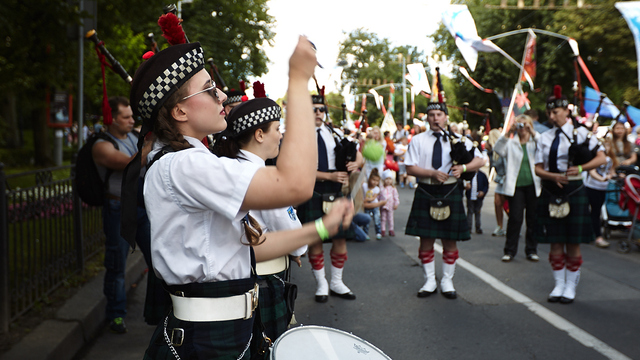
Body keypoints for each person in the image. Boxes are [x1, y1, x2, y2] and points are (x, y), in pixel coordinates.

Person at [123, 39, 353, 359]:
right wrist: (298, 80)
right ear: (179, 110)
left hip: (225, 330)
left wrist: (323, 229)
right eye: (208, 89)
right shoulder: (185, 165)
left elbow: (248, 251)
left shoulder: (188, 161)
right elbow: (296, 184)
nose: (220, 94)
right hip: (208, 338)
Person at [405, 101, 485, 299]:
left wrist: (464, 168)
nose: (435, 118)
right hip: (426, 188)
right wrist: (431, 173)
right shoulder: (418, 140)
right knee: (426, 239)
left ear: (446, 117)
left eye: (439, 114)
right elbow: (410, 168)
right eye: (431, 114)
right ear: (427, 117)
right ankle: (429, 280)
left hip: (450, 190)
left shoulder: (459, 139)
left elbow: (481, 160)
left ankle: (447, 281)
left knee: (450, 240)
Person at [534, 86, 605, 304]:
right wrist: (552, 176)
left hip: (574, 190)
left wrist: (582, 169)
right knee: (555, 241)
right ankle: (558, 284)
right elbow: (538, 168)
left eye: (556, 112)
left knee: (572, 242)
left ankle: (570, 285)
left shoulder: (582, 133)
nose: (552, 116)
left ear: (566, 111)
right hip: (551, 189)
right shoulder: (544, 137)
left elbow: (602, 158)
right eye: (550, 113)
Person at [91, 96, 154, 333]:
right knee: (117, 265)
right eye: (126, 117)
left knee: (157, 259)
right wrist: (150, 144)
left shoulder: (133, 136)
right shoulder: (102, 145)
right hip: (117, 209)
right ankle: (116, 315)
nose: (131, 121)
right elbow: (130, 164)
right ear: (112, 119)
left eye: (132, 116)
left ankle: (159, 309)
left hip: (140, 207)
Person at [296, 85, 364, 304]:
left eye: (321, 110)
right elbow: (297, 169)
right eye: (314, 109)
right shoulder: (297, 136)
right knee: (316, 237)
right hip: (312, 189)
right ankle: (321, 284)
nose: (318, 113)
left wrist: (356, 163)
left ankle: (336, 282)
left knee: (340, 237)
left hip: (335, 191)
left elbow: (359, 156)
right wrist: (329, 176)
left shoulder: (334, 133)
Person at [494, 114, 542, 262]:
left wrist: (532, 132)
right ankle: (509, 250)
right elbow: (498, 149)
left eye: (525, 125)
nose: (522, 128)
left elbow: (544, 146)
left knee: (533, 219)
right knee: (515, 218)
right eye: (519, 125)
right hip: (516, 186)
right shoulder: (511, 143)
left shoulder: (535, 142)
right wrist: (509, 132)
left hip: (534, 185)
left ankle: (531, 250)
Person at [585, 138, 616, 249]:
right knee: (593, 211)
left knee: (596, 211)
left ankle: (594, 234)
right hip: (592, 186)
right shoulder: (596, 158)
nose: (605, 147)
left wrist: (612, 176)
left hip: (603, 188)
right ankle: (596, 235)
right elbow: (592, 171)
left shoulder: (610, 159)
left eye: (608, 145)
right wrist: (601, 179)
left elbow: (611, 171)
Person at [487, 129, 508, 236]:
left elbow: (507, 166)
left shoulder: (501, 150)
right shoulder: (492, 153)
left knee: (509, 204)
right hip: (500, 179)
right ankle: (499, 226)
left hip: (506, 178)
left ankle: (513, 225)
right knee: (497, 202)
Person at [362, 168, 386, 239]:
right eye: (373, 180)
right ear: (369, 179)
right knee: (366, 220)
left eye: (377, 181)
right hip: (366, 206)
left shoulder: (377, 189)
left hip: (375, 206)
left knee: (376, 219)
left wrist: (366, 199)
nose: (375, 182)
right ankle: (365, 233)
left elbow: (373, 198)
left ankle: (378, 232)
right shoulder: (364, 186)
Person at [464, 170, 488, 235]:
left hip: (479, 197)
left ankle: (478, 227)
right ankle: (469, 228)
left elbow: (486, 185)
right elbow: (464, 182)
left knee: (478, 212)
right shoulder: (468, 174)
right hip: (470, 197)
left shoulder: (482, 175)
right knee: (470, 212)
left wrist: (483, 192)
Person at [380, 169, 400, 236]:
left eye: (390, 179)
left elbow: (396, 196)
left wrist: (396, 203)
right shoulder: (382, 188)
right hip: (383, 205)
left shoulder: (393, 188)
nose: (388, 181)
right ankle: (383, 230)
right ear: (383, 180)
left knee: (390, 218)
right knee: (383, 218)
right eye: (386, 179)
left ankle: (391, 229)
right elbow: (379, 195)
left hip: (390, 205)